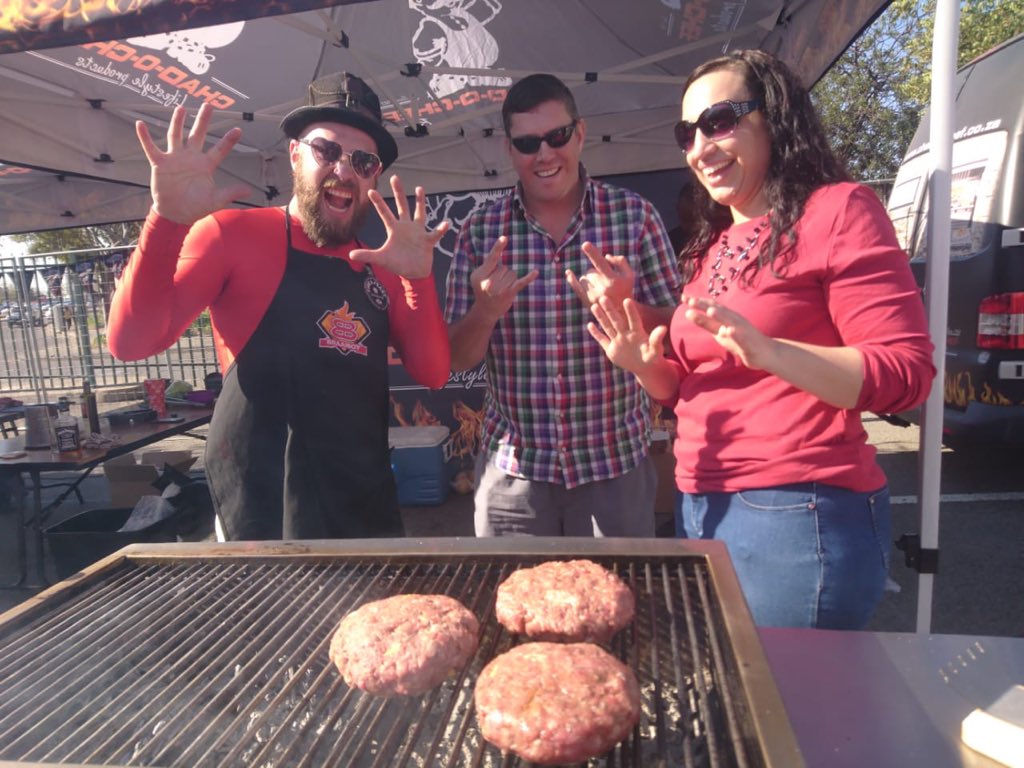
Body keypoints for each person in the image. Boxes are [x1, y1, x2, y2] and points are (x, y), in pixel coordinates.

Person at [587, 49, 935, 629]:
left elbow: (905, 374)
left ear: (774, 117)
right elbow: (699, 387)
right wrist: (640, 352)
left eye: (719, 120)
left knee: (794, 709)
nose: (700, 146)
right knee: (743, 704)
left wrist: (773, 352)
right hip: (700, 500)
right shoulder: (717, 241)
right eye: (687, 132)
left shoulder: (839, 209)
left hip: (795, 509)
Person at [107, 73, 451, 541]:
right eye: (326, 150)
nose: (343, 171)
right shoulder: (233, 235)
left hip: (364, 504)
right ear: (294, 153)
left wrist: (419, 279)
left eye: (363, 160)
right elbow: (131, 342)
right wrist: (165, 221)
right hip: (261, 513)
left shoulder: (381, 264)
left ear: (373, 175)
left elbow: (432, 372)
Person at [445, 73, 682, 537]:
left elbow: (676, 333)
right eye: (528, 143)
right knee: (511, 607)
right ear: (510, 150)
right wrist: (485, 313)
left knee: (619, 606)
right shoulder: (479, 230)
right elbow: (456, 357)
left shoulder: (634, 217)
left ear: (580, 132)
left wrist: (626, 304)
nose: (545, 154)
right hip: (513, 478)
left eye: (557, 136)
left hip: (614, 470)